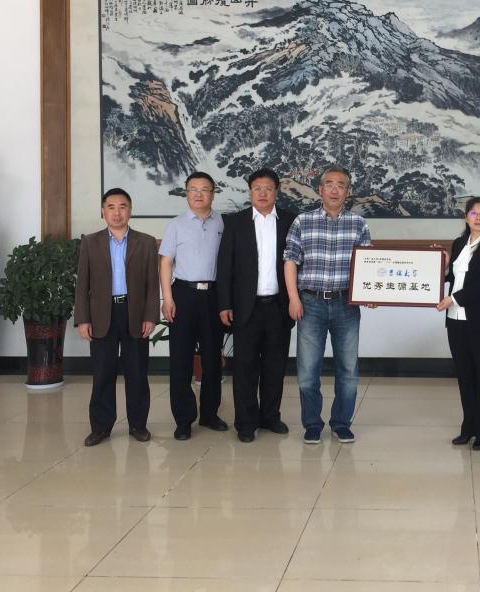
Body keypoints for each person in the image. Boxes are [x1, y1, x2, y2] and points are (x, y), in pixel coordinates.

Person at [283, 165, 372, 444]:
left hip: (347, 304)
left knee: (348, 370)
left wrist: (370, 292)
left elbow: (368, 265)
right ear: (320, 189)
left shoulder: (358, 224)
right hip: (310, 303)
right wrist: (294, 298)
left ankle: (341, 423)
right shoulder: (302, 221)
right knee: (308, 370)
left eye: (341, 185)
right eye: (329, 184)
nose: (335, 189)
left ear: (348, 191)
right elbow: (290, 261)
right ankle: (312, 424)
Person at [73, 187, 159, 446]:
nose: (117, 213)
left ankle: (138, 425)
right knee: (103, 374)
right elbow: (82, 284)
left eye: (122, 207)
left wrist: (150, 316)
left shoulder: (146, 242)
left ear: (130, 211)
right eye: (110, 207)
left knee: (137, 374)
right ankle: (100, 427)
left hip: (135, 314)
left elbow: (152, 284)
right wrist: (83, 319)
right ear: (103, 211)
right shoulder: (91, 242)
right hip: (102, 315)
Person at [217, 168, 297, 442]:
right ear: (250, 192)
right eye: (257, 189)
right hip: (245, 308)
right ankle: (246, 423)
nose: (262, 193)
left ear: (277, 192)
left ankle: (270, 416)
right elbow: (225, 266)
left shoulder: (290, 221)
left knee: (275, 366)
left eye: (268, 189)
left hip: (278, 306)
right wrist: (225, 304)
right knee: (245, 368)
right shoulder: (235, 222)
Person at [159, 171, 227, 441]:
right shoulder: (176, 225)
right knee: (181, 360)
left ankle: (209, 414)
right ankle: (184, 419)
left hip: (214, 296)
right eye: (193, 189)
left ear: (213, 193)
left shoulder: (223, 222)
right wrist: (167, 298)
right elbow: (166, 262)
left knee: (212, 359)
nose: (199, 194)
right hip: (183, 295)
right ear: (186, 193)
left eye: (204, 189)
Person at [437, 196, 480, 451]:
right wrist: (443, 267)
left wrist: (453, 299)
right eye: (473, 213)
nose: (478, 217)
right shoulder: (458, 244)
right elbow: (453, 278)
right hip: (455, 320)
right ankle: (468, 428)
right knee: (465, 376)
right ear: (466, 217)